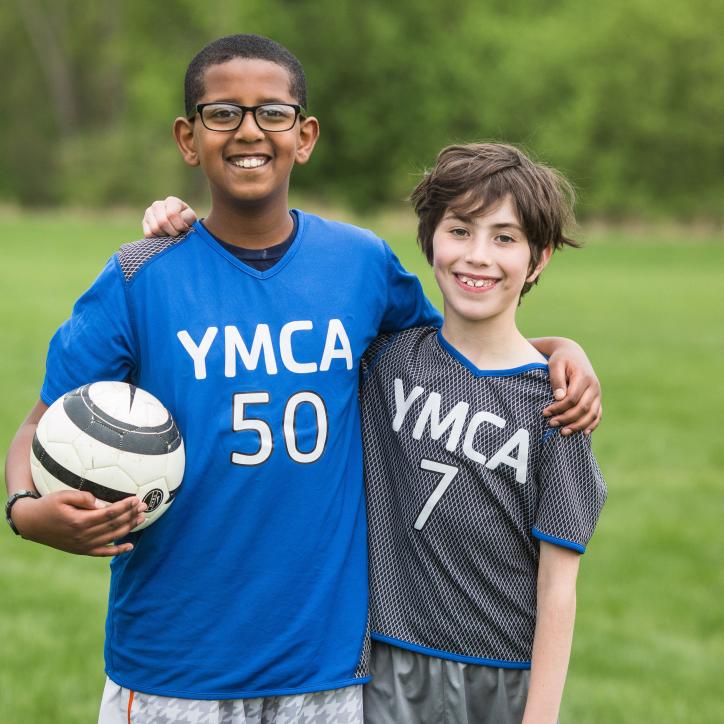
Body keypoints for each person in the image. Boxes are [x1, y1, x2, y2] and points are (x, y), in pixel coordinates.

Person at [4, 34, 601, 724]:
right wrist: (25, 508)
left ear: (306, 135)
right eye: (222, 113)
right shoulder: (140, 274)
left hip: (330, 672)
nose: (249, 131)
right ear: (187, 138)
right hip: (174, 665)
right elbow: (36, 426)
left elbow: (466, 345)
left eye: (273, 114)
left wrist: (558, 349)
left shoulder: (360, 265)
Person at [358, 143, 607, 723]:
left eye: (505, 237)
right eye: (460, 230)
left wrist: (540, 717)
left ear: (539, 258)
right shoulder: (384, 361)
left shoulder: (557, 406)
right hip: (385, 665)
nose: (477, 256)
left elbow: (558, 588)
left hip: (503, 677)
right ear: (430, 240)